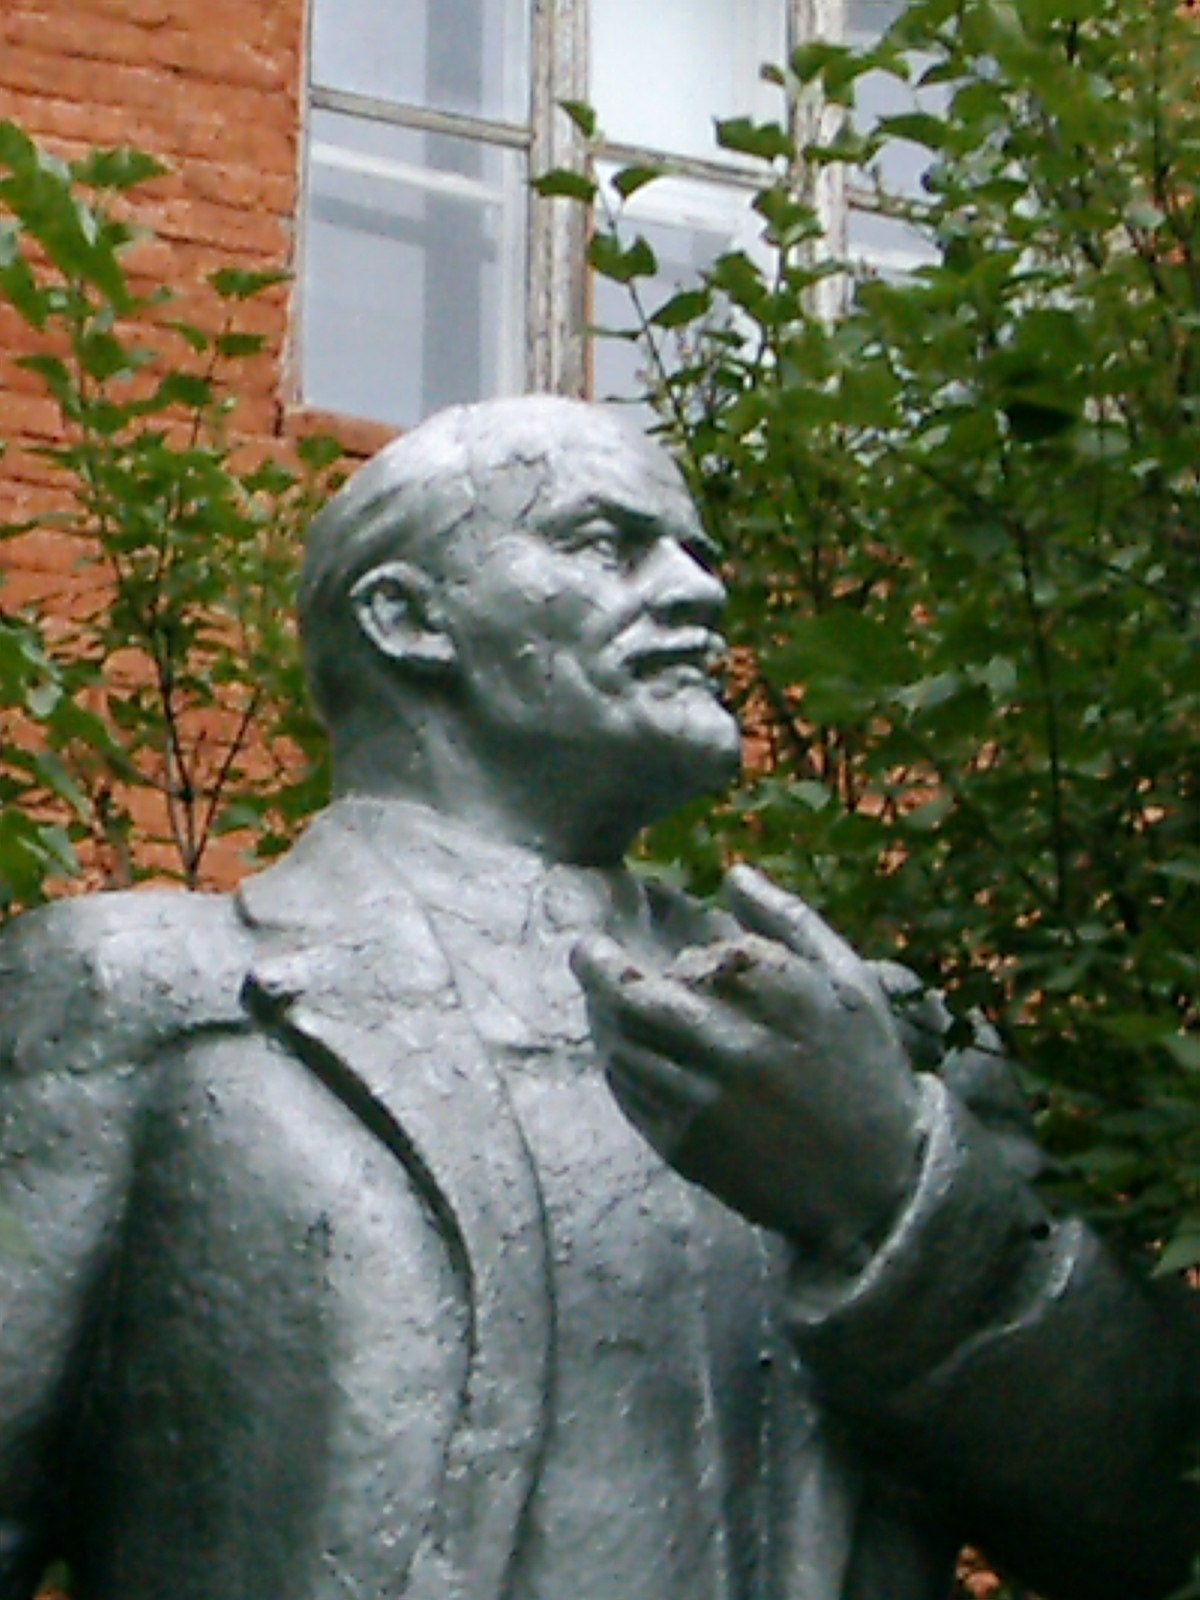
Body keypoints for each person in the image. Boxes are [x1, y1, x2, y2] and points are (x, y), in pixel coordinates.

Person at [0, 397, 1194, 1600]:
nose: (698, 591)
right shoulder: (146, 1000)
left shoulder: (854, 1041)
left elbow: (1146, 1518)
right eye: (608, 544)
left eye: (698, 554)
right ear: (407, 617)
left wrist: (891, 1187)